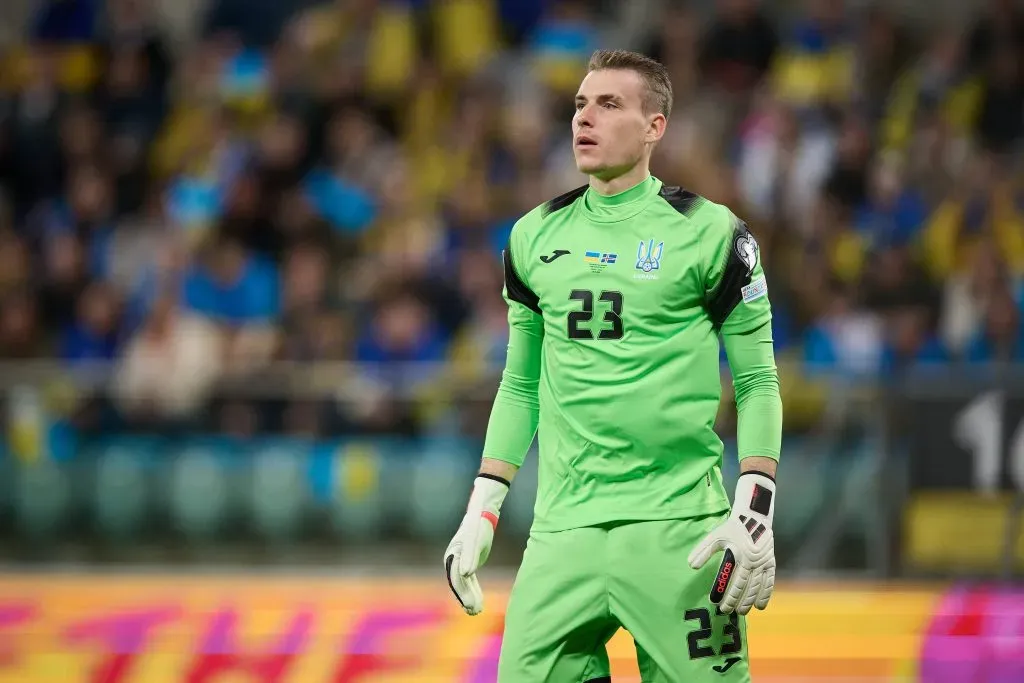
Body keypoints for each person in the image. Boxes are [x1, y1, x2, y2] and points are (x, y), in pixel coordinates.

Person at [444, 49, 782, 682]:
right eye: (580, 104)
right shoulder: (533, 237)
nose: (584, 117)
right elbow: (520, 384)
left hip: (679, 533)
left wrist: (754, 506)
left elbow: (758, 380)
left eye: (608, 104)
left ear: (654, 127)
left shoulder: (712, 233)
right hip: (561, 534)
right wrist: (481, 508)